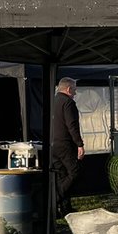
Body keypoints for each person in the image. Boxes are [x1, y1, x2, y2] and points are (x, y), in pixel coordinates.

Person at [50, 76, 85, 216]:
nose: (75, 93)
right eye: (75, 90)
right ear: (69, 89)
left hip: (53, 144)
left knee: (61, 175)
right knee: (74, 172)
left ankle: (64, 208)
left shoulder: (52, 101)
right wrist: (79, 144)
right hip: (65, 144)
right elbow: (72, 126)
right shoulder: (68, 103)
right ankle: (56, 200)